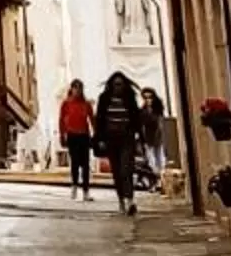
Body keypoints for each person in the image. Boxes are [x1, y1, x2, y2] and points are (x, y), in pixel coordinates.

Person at [96, 68, 144, 215]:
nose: (118, 87)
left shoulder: (130, 99)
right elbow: (99, 119)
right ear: (111, 85)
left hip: (126, 138)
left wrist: (139, 137)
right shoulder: (104, 99)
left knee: (126, 169)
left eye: (120, 84)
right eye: (116, 84)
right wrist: (100, 139)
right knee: (116, 171)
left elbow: (136, 118)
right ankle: (121, 201)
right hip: (111, 139)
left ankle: (129, 199)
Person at [56, 77, 96, 199]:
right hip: (72, 135)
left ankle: (86, 190)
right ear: (72, 89)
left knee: (85, 164)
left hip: (84, 135)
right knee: (75, 163)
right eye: (75, 88)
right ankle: (74, 186)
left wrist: (96, 134)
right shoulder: (66, 103)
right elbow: (61, 120)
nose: (77, 91)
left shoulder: (86, 104)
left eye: (79, 88)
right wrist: (62, 135)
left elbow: (92, 119)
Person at [137, 87, 168, 191]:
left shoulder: (158, 109)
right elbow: (141, 126)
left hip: (158, 138)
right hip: (148, 139)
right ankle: (154, 183)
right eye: (145, 97)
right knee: (151, 163)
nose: (148, 100)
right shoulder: (142, 111)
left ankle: (161, 183)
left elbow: (160, 124)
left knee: (160, 161)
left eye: (150, 97)